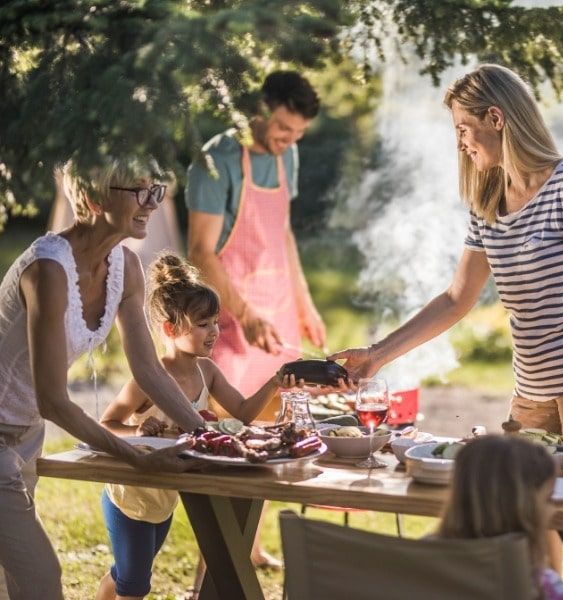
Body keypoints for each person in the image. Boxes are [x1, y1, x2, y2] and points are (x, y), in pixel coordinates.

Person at [331, 63, 563, 440]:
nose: (460, 143)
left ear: (495, 118)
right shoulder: (488, 204)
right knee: (516, 497)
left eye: (463, 129)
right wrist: (377, 354)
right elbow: (456, 298)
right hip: (531, 392)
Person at [0, 158, 205, 600]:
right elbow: (54, 400)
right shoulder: (48, 270)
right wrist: (138, 459)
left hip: (25, 434)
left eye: (156, 191)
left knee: (9, 578)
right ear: (93, 198)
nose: (151, 203)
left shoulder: (125, 266)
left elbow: (148, 370)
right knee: (38, 579)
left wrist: (208, 436)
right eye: (139, 191)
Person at [94, 254, 300, 600]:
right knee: (134, 584)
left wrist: (276, 381)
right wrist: (140, 432)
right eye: (203, 324)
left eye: (216, 322)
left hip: (164, 499)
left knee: (126, 574)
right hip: (130, 495)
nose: (214, 332)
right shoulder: (149, 377)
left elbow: (245, 412)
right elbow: (107, 424)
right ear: (171, 329)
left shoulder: (208, 372)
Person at [186, 70, 326, 570]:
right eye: (284, 128)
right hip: (230, 312)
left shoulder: (287, 154)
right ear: (261, 109)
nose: (289, 140)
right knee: (231, 430)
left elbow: (284, 234)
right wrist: (242, 314)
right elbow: (201, 249)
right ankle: (215, 560)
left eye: (297, 134)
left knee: (273, 428)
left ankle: (250, 542)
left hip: (277, 306)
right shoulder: (217, 159)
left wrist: (304, 303)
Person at [437, 434, 563, 599]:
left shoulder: (422, 564)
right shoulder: (539, 585)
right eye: (548, 499)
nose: (553, 510)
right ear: (526, 511)